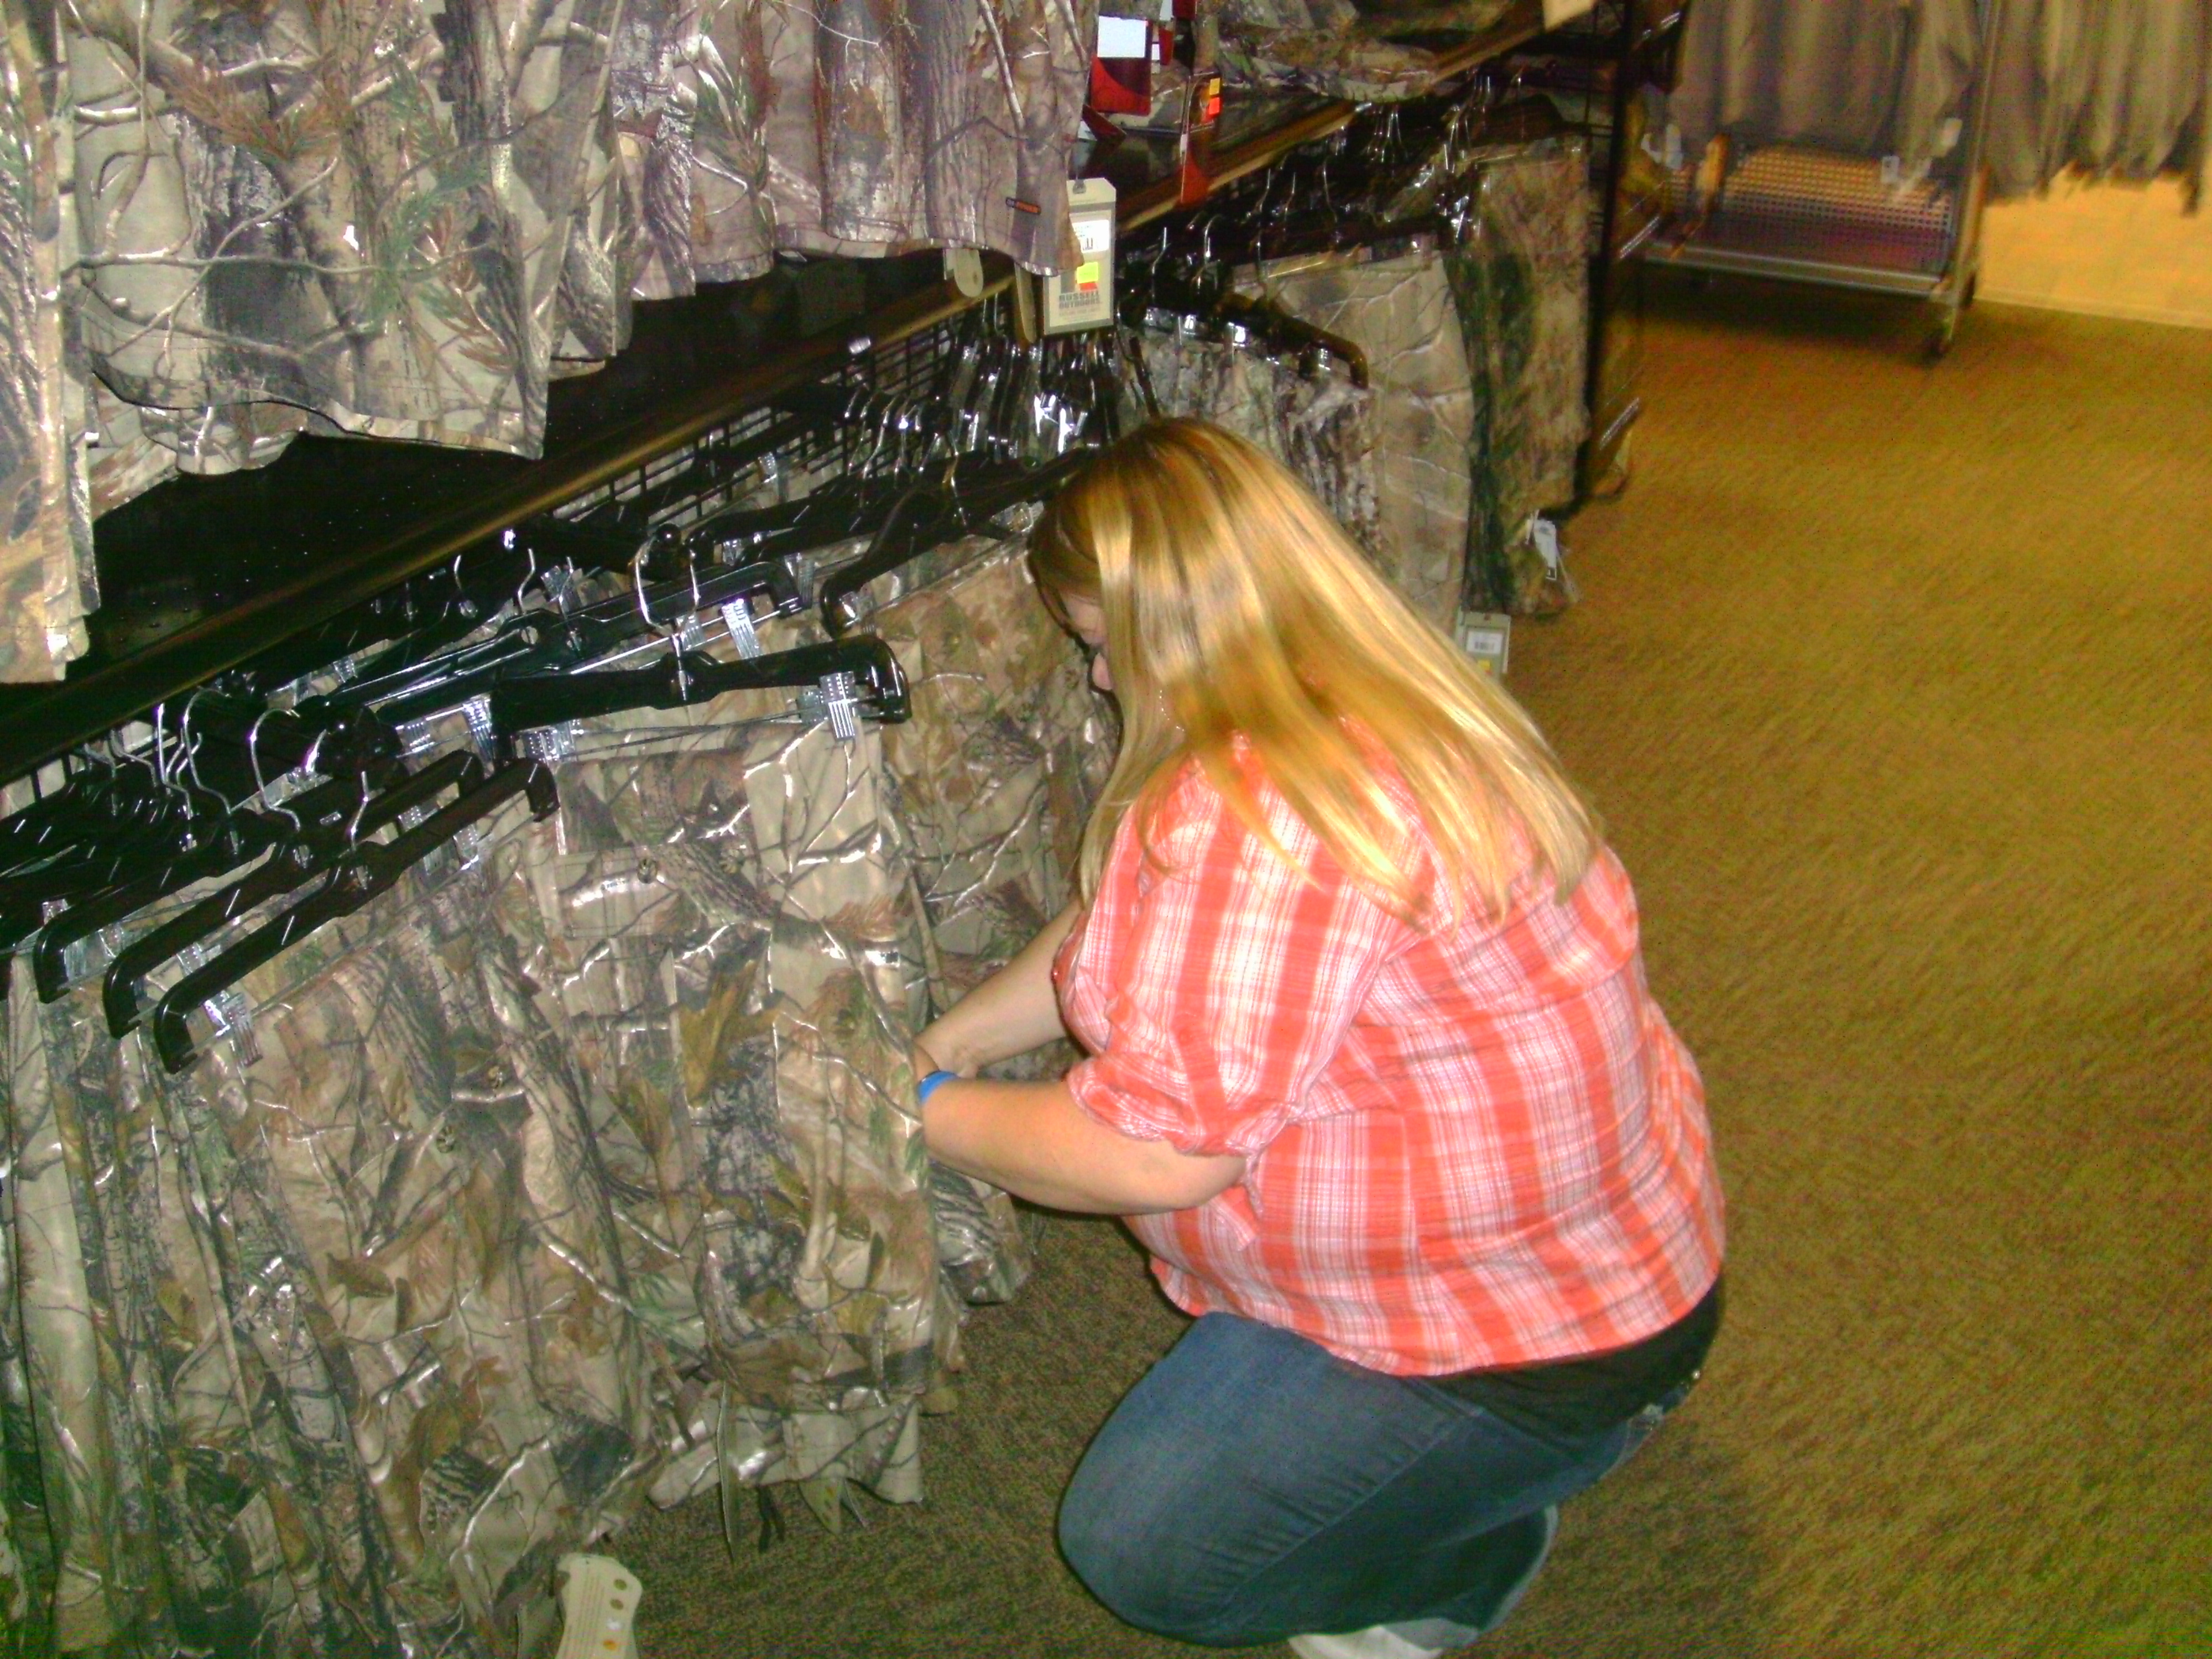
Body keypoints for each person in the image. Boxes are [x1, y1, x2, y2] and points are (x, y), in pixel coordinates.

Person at [912, 420, 1724, 1658]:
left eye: (1099, 645)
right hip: (1619, 1262)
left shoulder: (1264, 818)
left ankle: (1468, 1543)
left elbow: (1154, 1155)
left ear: (1164, 630)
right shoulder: (1377, 701)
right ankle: (1455, 1461)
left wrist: (916, 1108)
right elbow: (1119, 920)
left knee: (1144, 1551)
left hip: (1535, 1348)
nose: (1098, 681)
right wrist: (959, 1038)